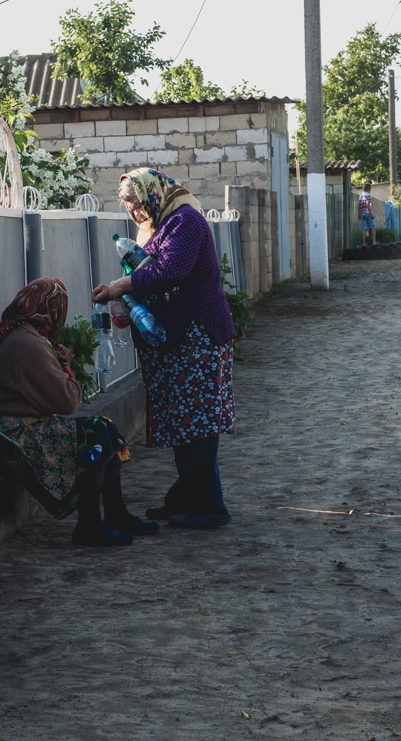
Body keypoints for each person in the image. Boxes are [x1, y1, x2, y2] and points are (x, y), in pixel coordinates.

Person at [92, 168, 236, 530]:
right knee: (187, 424)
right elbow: (151, 281)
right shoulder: (159, 227)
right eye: (131, 209)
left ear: (154, 193)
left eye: (139, 205)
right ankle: (197, 502)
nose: (137, 214)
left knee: (198, 425)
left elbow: (170, 272)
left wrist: (121, 286)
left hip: (198, 338)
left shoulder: (185, 221)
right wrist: (127, 303)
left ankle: (201, 505)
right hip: (178, 340)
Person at [0, 277, 159, 547]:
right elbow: (67, 402)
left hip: (10, 425)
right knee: (95, 433)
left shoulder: (25, 336)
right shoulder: (29, 344)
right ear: (52, 310)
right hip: (2, 433)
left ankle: (116, 514)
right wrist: (66, 367)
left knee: (105, 428)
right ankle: (90, 525)